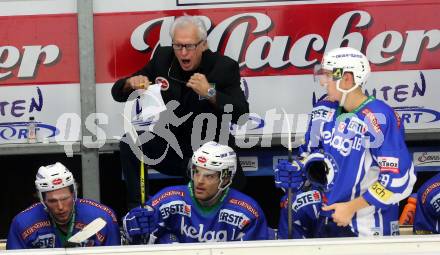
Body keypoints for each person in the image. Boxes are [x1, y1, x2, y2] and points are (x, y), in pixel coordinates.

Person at [111, 15, 249, 209]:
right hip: (172, 149)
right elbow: (117, 93)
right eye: (178, 46)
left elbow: (242, 115)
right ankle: (138, 209)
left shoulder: (224, 67)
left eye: (190, 46)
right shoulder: (162, 59)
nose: (183, 52)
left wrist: (210, 93)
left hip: (208, 153)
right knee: (130, 141)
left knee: (230, 199)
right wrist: (129, 84)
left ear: (203, 45)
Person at [277, 47, 416, 237]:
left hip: (368, 229)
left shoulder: (378, 117)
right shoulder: (324, 108)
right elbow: (312, 153)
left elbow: (399, 179)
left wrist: (352, 207)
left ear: (347, 79)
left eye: (328, 76)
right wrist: (297, 170)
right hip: (330, 219)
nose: (324, 83)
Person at [122, 141, 268, 244]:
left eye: (209, 176)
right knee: (167, 240)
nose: (199, 181)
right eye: (196, 172)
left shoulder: (248, 213)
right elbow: (135, 237)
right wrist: (132, 225)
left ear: (226, 178)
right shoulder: (168, 199)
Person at [6, 162, 120, 249]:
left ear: (74, 194)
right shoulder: (22, 224)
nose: (60, 207)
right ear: (42, 200)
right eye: (52, 201)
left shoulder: (104, 218)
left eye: (65, 199)